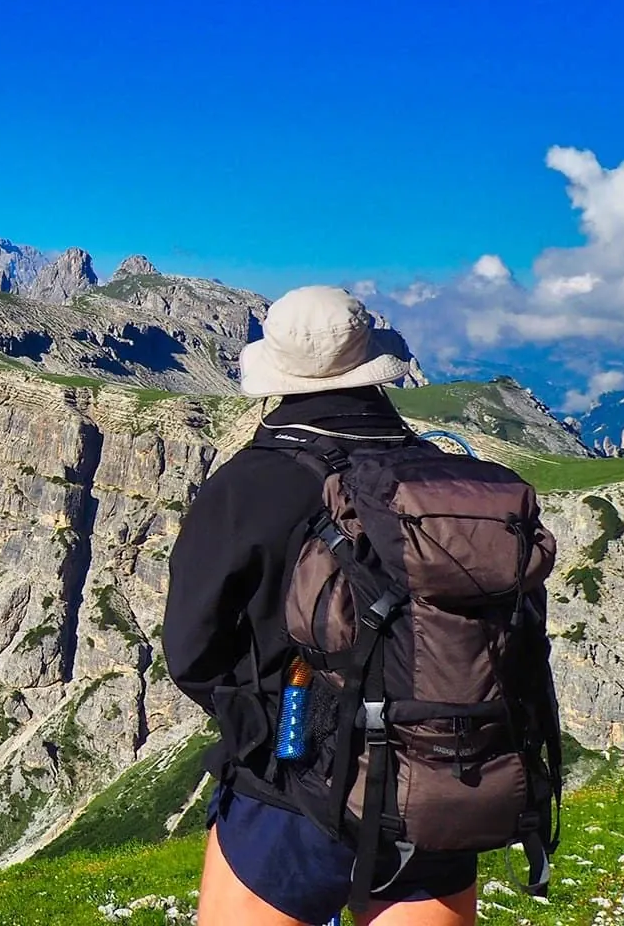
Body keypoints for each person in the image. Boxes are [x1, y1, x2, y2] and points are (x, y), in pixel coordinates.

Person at [164, 286, 478, 926]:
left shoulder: (249, 484)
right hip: (440, 780)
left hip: (294, 783)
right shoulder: (438, 473)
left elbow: (192, 653)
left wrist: (262, 729)